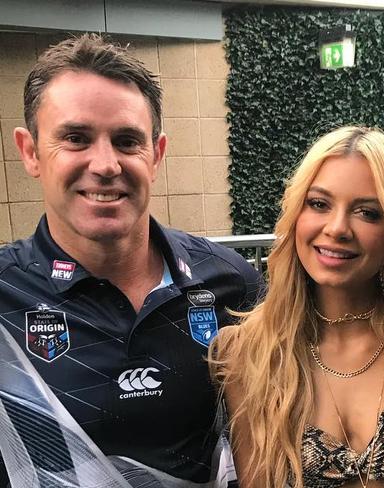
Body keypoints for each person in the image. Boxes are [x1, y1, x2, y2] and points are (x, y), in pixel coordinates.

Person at [0, 34, 262, 486]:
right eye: (76, 138)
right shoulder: (5, 295)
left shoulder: (231, 284)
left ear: (156, 154)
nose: (105, 164)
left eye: (126, 141)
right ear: (30, 151)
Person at [211, 126, 384, 488]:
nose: (337, 228)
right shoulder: (247, 354)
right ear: (296, 215)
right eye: (319, 204)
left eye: (367, 212)